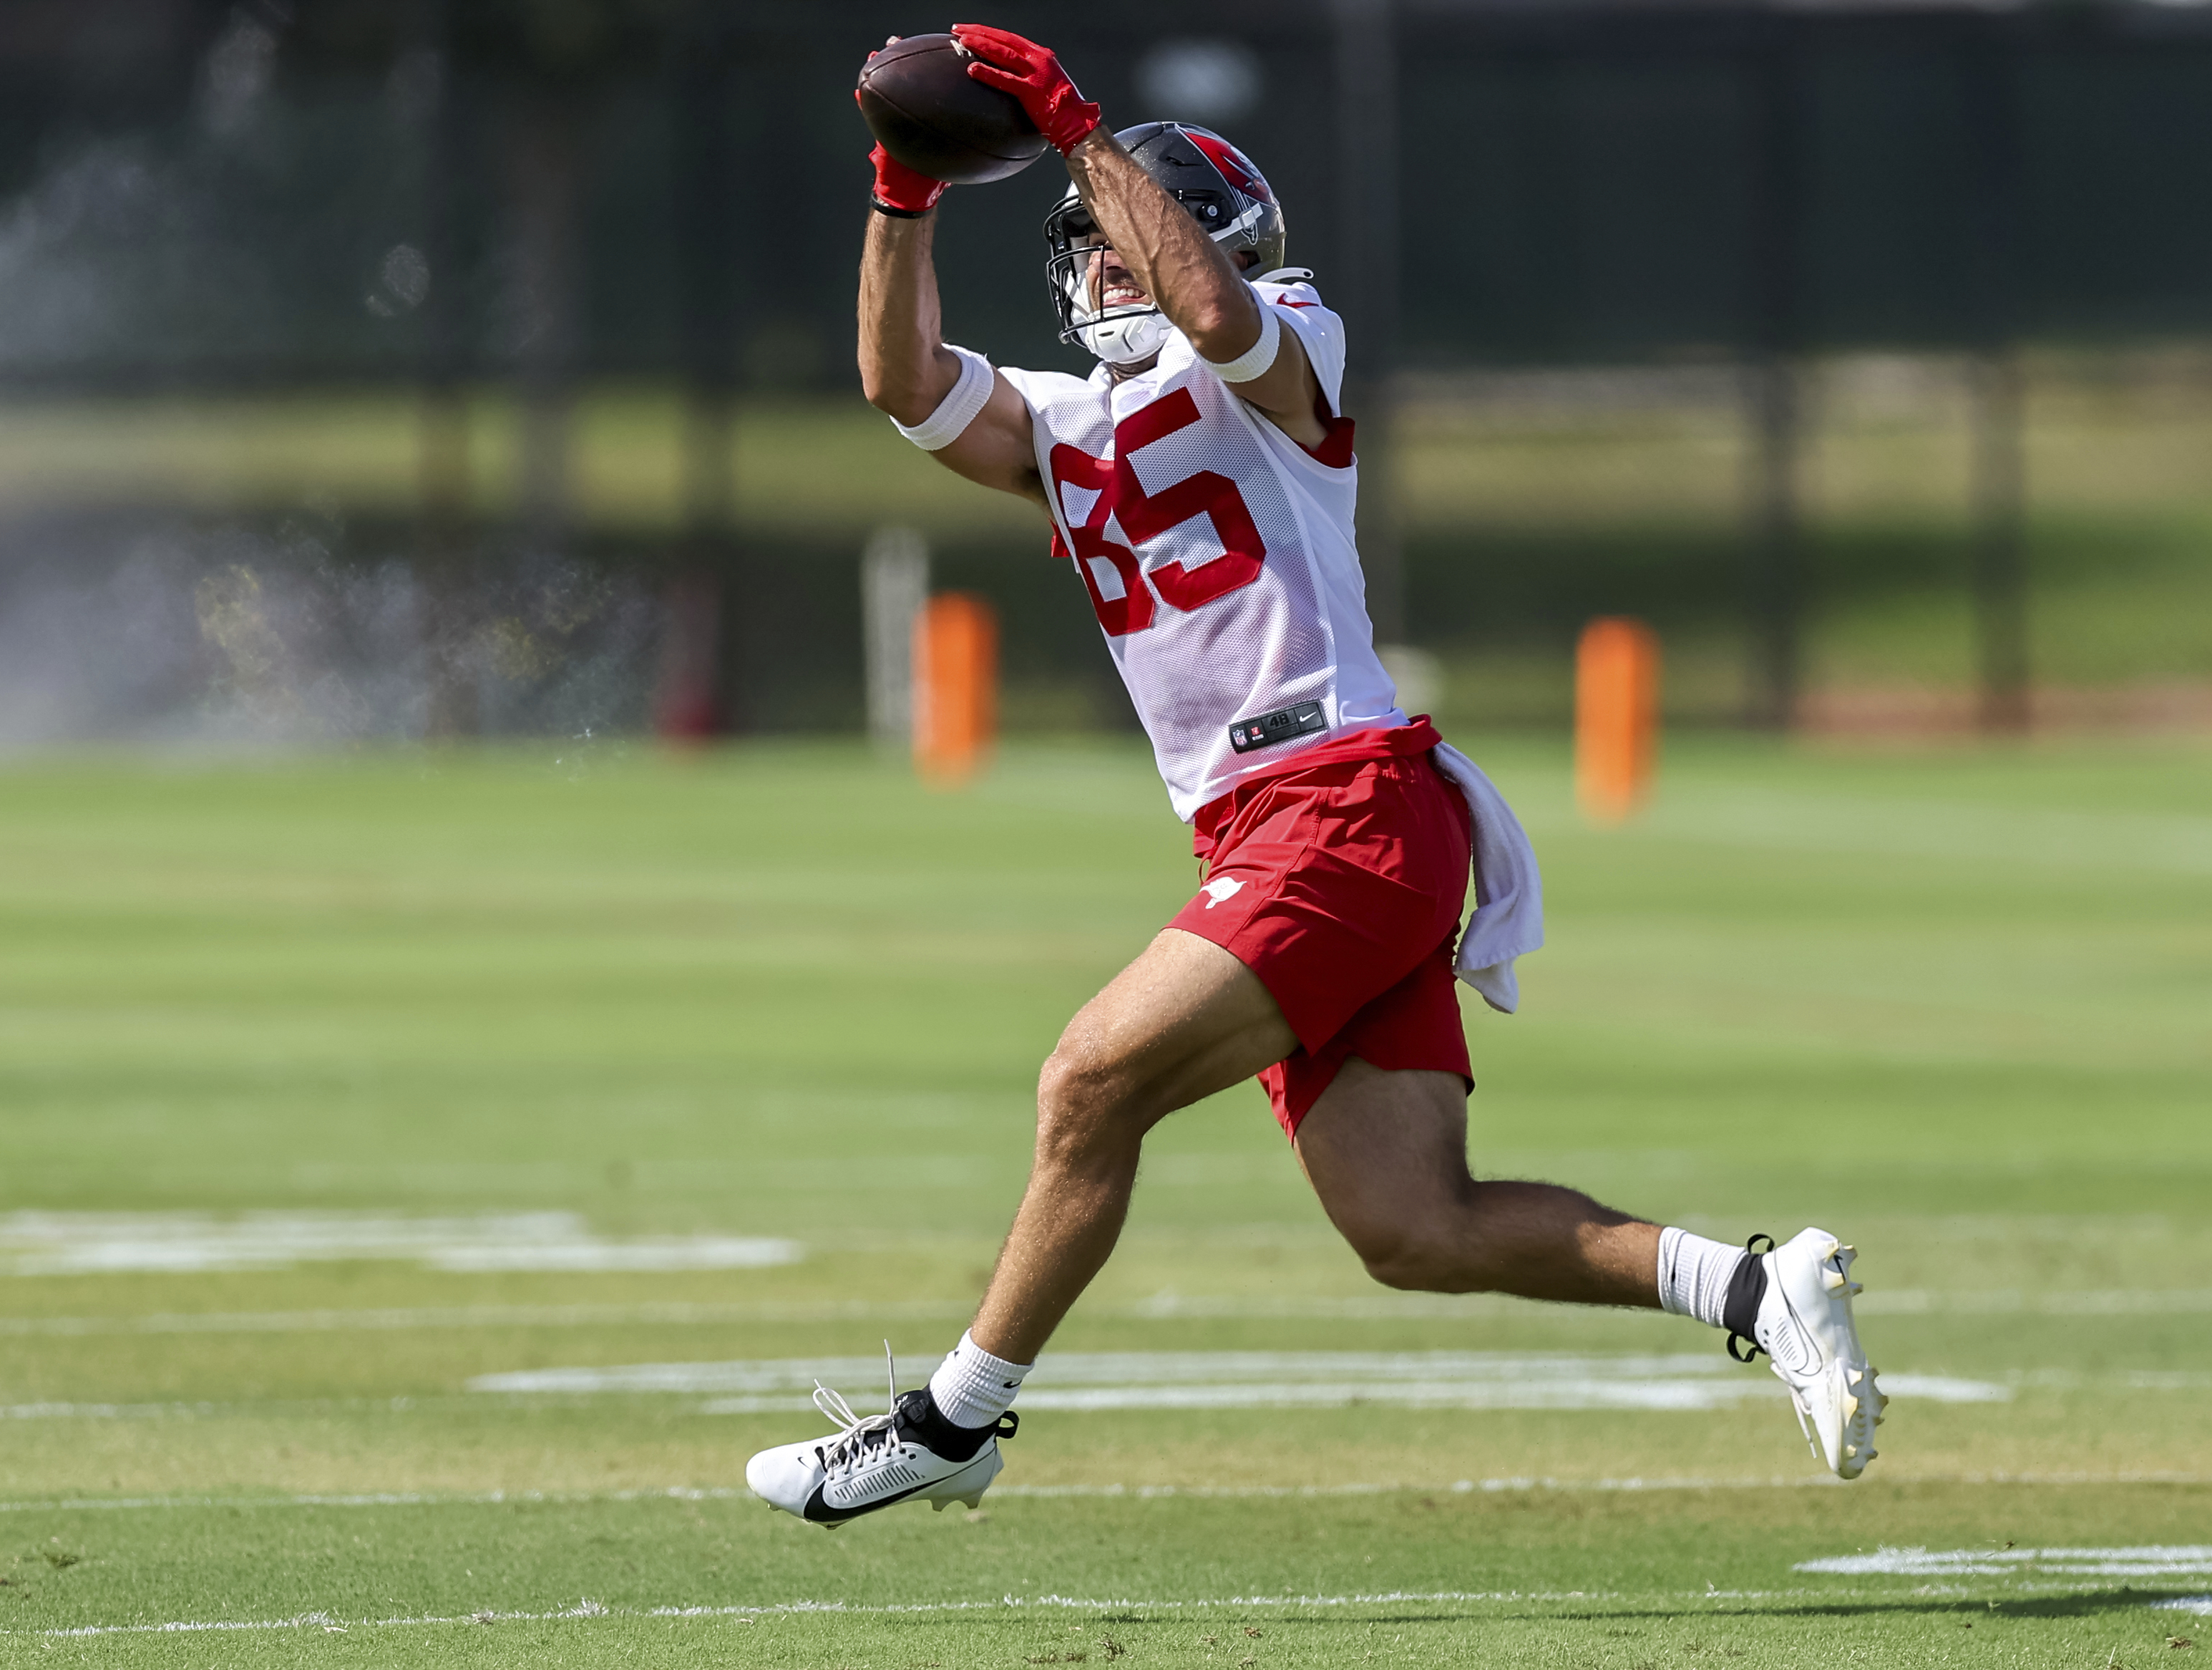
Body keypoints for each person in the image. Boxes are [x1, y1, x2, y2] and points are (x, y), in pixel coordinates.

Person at [746, 23, 1884, 1526]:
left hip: (1339, 804)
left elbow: (1216, 315)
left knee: (1088, 1079)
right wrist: (904, 188)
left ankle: (954, 1420)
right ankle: (1752, 1284)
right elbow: (900, 380)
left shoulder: (1289, 333)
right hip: (1284, 828)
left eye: (1120, 232)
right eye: (1081, 240)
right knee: (1415, 1226)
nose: (1097, 259)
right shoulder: (1067, 421)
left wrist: (1089, 132)